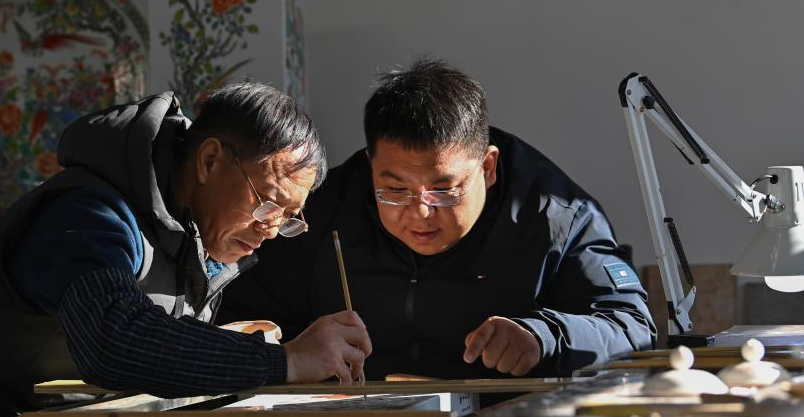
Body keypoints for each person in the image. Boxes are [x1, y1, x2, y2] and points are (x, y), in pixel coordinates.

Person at [0, 82, 371, 417]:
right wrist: (286, 361)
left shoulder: (193, 234)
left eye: (287, 218)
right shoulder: (86, 217)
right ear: (209, 161)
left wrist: (237, 346)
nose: (269, 229)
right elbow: (115, 340)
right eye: (267, 203)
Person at [220, 59, 655, 379]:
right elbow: (240, 315)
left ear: (488, 166)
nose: (420, 212)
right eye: (394, 190)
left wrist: (546, 337)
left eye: (444, 190)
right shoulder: (322, 208)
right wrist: (287, 350)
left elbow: (631, 325)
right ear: (371, 165)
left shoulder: (554, 215)